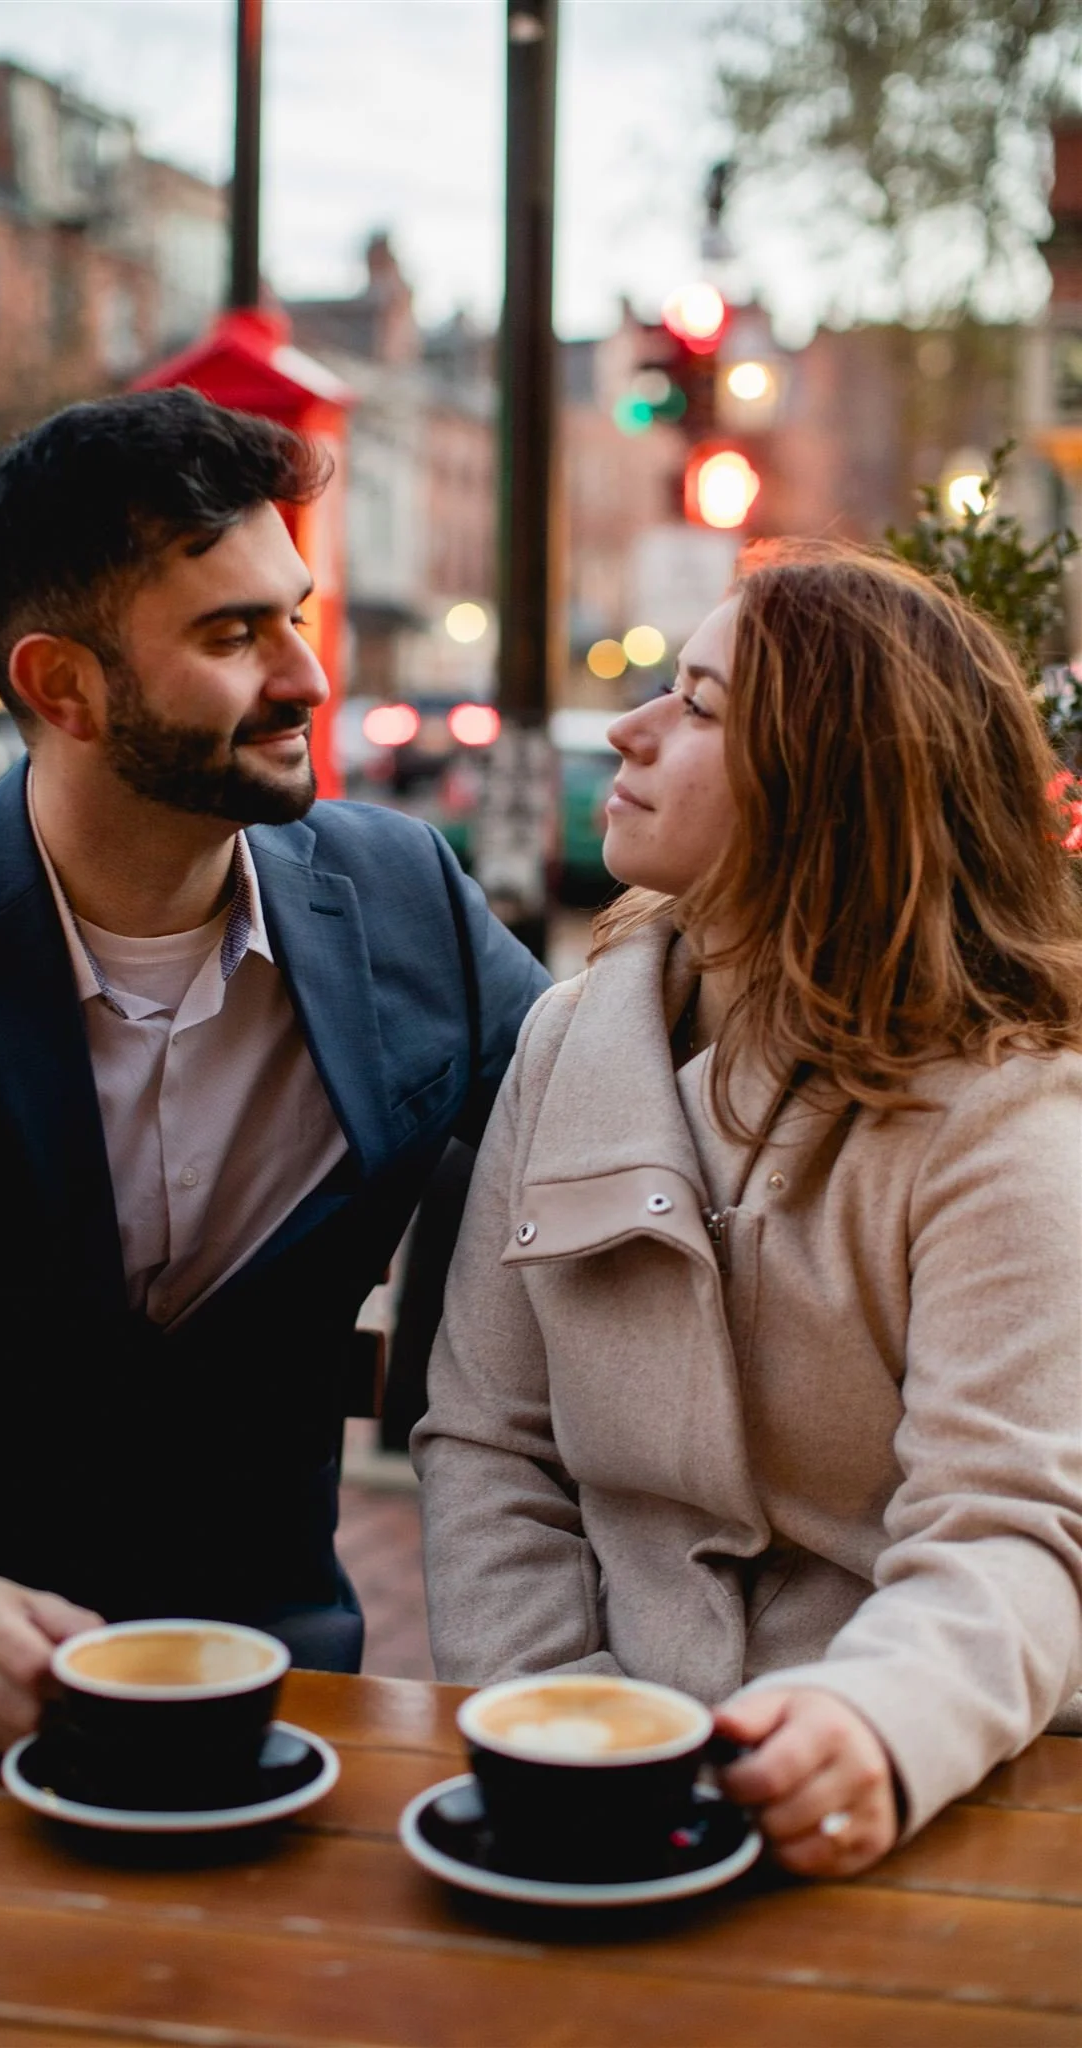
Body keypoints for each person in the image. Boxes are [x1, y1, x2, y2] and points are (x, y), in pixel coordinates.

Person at [0, 388, 549, 1756]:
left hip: (284, 1706)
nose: (307, 676)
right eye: (234, 634)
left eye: (295, 611)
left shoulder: (405, 900)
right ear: (64, 687)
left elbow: (616, 1121)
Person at [415, 545, 1082, 1878]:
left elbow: (1010, 1528)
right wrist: (568, 1727)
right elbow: (489, 1447)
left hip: (906, 1806)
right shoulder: (564, 1046)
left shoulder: (1004, 1112)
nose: (630, 728)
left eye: (702, 706)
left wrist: (869, 1729)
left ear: (834, 790)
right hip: (581, 1770)